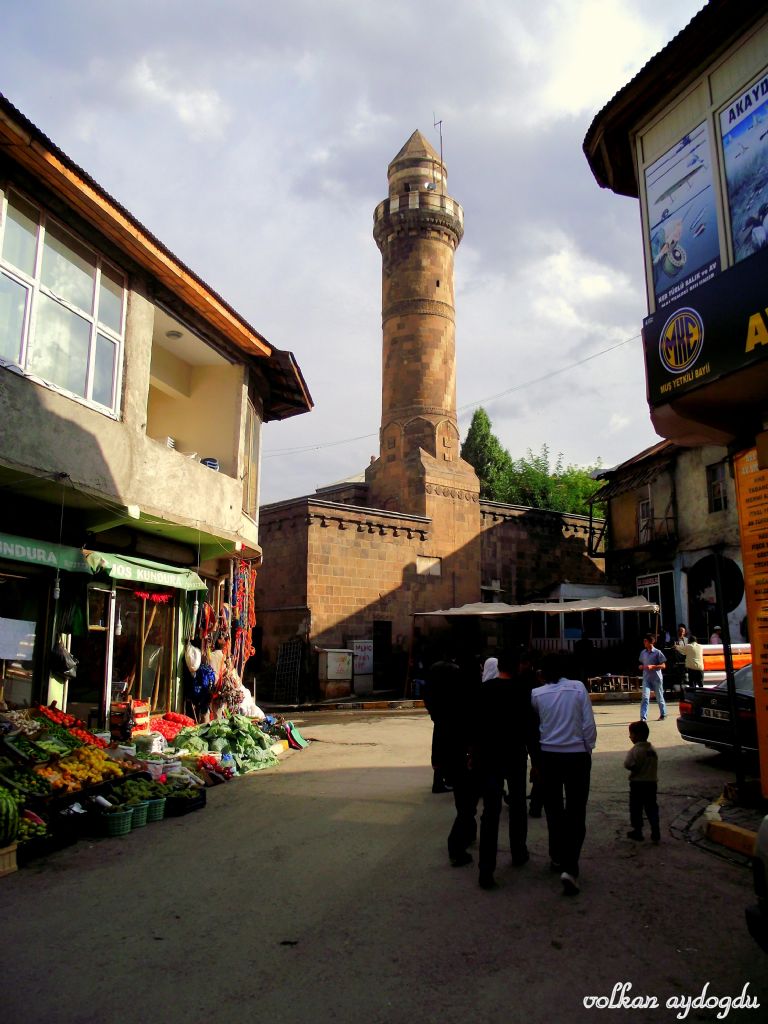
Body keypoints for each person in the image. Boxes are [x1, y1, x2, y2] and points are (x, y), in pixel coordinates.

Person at [469, 652, 538, 890]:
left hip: (488, 758)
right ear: (518, 667)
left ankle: (486, 870)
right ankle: (518, 852)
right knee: (518, 804)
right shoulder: (521, 692)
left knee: (491, 811)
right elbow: (531, 729)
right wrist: (537, 761)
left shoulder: (484, 691)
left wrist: (472, 756)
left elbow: (474, 727)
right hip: (515, 756)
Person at [531, 653, 596, 897]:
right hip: (577, 755)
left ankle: (557, 856)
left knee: (554, 809)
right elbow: (588, 725)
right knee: (576, 810)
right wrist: (586, 747)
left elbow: (537, 727)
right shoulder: (578, 688)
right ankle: (571, 867)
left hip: (549, 756)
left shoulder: (537, 695)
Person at [422, 649, 463, 795]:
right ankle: (446, 780)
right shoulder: (455, 670)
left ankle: (440, 780)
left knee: (439, 747)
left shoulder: (434, 668)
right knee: (451, 748)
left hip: (438, 714)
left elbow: (426, 692)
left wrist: (432, 711)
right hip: (452, 715)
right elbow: (459, 694)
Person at [624, 720, 660, 843]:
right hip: (651, 783)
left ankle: (638, 831)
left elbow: (628, 764)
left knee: (636, 808)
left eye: (631, 734)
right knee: (651, 807)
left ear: (637, 736)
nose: (630, 736)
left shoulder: (635, 750)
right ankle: (655, 831)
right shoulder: (652, 749)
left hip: (637, 784)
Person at [638, 633, 667, 722]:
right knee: (645, 697)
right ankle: (643, 717)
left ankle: (663, 714)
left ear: (650, 642)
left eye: (645, 641)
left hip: (656, 678)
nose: (644, 642)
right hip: (646, 678)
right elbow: (642, 663)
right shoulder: (643, 653)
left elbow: (663, 665)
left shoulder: (657, 652)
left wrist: (653, 667)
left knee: (659, 697)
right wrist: (641, 667)